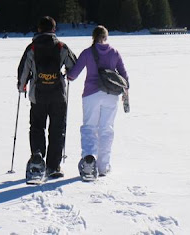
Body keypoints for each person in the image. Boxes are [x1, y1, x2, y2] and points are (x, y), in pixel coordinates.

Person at [17, 16, 77, 180]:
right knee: (57, 129)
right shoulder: (61, 47)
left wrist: (22, 86)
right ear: (54, 29)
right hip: (58, 95)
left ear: (39, 29)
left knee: (37, 127)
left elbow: (23, 70)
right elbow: (73, 66)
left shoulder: (32, 48)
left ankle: (37, 157)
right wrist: (68, 75)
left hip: (38, 95)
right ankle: (53, 165)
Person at [67, 25, 129, 178]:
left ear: (93, 37)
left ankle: (89, 163)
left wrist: (67, 73)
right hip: (111, 95)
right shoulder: (114, 52)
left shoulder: (87, 52)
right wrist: (125, 93)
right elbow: (124, 76)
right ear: (106, 37)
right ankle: (103, 166)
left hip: (91, 94)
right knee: (106, 129)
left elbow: (73, 75)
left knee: (89, 127)